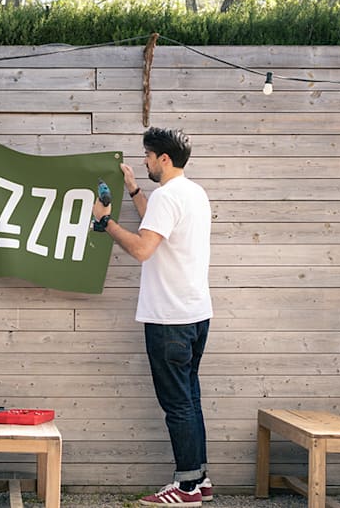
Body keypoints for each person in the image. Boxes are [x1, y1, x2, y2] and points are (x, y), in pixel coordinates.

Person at [92, 127, 214, 507]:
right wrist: (132, 191)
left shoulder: (167, 196)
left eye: (146, 156)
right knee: (189, 399)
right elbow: (158, 228)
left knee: (177, 404)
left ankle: (187, 488)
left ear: (163, 158)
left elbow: (144, 248)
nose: (143, 161)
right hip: (195, 315)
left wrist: (105, 223)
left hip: (169, 319)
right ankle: (199, 479)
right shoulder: (192, 193)